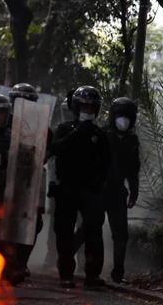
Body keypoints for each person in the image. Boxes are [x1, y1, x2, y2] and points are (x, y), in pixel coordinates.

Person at [73, 96, 140, 284]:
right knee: (89, 228)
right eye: (120, 114)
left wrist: (134, 192)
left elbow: (134, 169)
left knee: (120, 234)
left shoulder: (132, 141)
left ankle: (118, 273)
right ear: (113, 115)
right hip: (98, 191)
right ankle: (67, 260)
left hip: (118, 193)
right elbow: (88, 163)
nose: (123, 119)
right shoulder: (101, 135)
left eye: (127, 115)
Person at [51, 85, 112, 288]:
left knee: (93, 231)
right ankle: (66, 273)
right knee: (64, 232)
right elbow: (57, 150)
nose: (87, 110)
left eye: (90, 107)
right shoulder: (64, 128)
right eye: (83, 106)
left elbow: (106, 164)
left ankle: (92, 275)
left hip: (90, 190)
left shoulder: (99, 135)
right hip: (67, 189)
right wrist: (78, 131)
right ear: (76, 107)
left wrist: (100, 187)